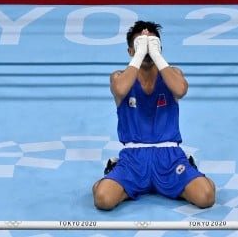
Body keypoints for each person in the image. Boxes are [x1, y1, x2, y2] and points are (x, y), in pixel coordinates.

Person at [93, 21, 217, 211]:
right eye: (140, 45)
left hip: (170, 157)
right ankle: (115, 175)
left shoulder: (172, 74)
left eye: (152, 44)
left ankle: (188, 172)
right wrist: (141, 53)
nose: (147, 49)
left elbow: (180, 90)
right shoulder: (118, 77)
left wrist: (156, 55)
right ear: (130, 51)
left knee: (206, 197)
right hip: (134, 159)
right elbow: (120, 89)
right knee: (103, 199)